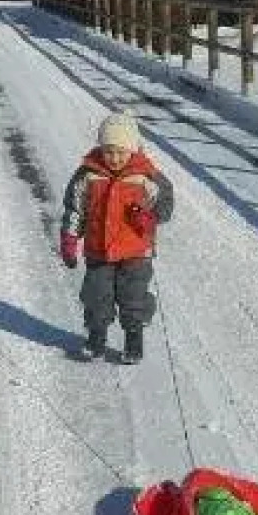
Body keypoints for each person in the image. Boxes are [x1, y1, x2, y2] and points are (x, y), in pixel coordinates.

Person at [59, 112, 175, 364]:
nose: (115, 158)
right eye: (109, 151)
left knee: (133, 298)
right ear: (101, 149)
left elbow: (165, 204)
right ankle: (96, 337)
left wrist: (149, 217)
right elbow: (75, 209)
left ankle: (134, 339)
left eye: (121, 152)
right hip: (98, 250)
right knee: (96, 295)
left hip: (135, 252)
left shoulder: (145, 176)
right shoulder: (88, 175)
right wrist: (70, 239)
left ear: (132, 150)